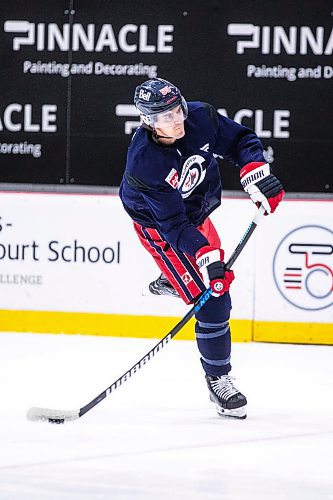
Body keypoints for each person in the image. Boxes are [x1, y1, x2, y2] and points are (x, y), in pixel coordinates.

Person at [119, 78, 284, 419]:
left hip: (197, 214)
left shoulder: (200, 117)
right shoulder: (145, 164)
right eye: (165, 117)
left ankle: (177, 280)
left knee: (210, 280)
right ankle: (218, 380)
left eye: (177, 109)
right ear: (148, 121)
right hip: (163, 229)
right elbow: (174, 227)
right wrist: (206, 259)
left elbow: (241, 140)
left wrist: (255, 170)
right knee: (214, 298)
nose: (176, 120)